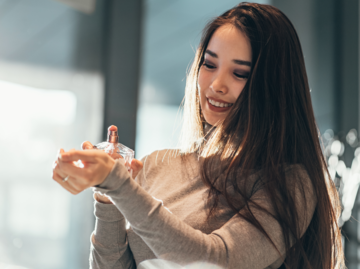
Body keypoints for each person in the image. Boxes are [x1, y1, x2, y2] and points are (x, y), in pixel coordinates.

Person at [52, 2, 344, 269]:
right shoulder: (159, 165)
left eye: (239, 73)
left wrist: (120, 186)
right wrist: (109, 198)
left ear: (273, 86)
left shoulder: (291, 184)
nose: (216, 84)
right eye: (209, 64)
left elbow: (216, 261)